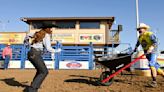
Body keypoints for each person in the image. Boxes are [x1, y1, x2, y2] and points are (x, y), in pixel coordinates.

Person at [23, 23, 61, 92]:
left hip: (31, 53)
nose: (51, 30)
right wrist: (58, 50)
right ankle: (32, 89)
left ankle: (33, 86)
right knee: (44, 72)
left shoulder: (37, 33)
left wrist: (26, 41)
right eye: (50, 28)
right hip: (36, 54)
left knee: (40, 71)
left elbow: (27, 35)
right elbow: (49, 48)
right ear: (47, 29)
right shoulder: (46, 35)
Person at [134, 23, 164, 87]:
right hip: (146, 52)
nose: (139, 30)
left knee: (151, 64)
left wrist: (151, 48)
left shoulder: (150, 34)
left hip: (153, 52)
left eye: (140, 29)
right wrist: (135, 49)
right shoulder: (140, 37)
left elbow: (156, 42)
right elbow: (137, 43)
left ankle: (154, 82)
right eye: (138, 29)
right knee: (155, 66)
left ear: (145, 29)